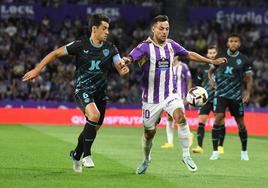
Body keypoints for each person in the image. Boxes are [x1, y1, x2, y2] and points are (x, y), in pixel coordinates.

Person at [22, 14, 129, 173]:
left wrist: (125, 68)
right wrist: (37, 69)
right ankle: (87, 155)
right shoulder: (80, 45)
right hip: (82, 90)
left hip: (100, 94)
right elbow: (56, 53)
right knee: (93, 116)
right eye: (104, 28)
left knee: (92, 128)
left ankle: (76, 154)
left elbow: (121, 69)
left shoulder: (111, 48)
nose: (107, 32)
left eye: (108, 29)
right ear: (94, 29)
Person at [123, 15, 227, 174]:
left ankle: (186, 155)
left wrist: (211, 61)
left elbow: (190, 54)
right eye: (161, 28)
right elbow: (131, 57)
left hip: (171, 94)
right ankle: (146, 159)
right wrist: (126, 61)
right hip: (151, 99)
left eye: (167, 29)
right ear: (153, 29)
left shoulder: (171, 45)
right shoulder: (144, 47)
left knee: (181, 117)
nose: (164, 32)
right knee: (149, 133)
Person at [209, 34, 253, 161]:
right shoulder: (220, 56)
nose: (233, 43)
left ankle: (244, 152)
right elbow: (211, 70)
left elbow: (249, 79)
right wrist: (211, 80)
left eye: (236, 41)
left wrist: (248, 92)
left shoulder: (244, 59)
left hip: (236, 95)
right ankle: (215, 151)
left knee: (241, 124)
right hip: (221, 93)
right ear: (227, 43)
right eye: (231, 41)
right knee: (218, 119)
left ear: (239, 44)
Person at [191, 46, 226, 154]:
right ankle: (199, 147)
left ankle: (220, 146)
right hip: (205, 98)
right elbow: (198, 84)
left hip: (218, 97)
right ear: (207, 55)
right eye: (210, 53)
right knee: (201, 120)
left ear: (217, 53)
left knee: (220, 121)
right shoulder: (202, 68)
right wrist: (194, 98)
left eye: (214, 53)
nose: (212, 55)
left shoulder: (223, 67)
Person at [161, 57, 192, 149]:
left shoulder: (183, 66)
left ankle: (188, 136)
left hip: (180, 96)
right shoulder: (167, 67)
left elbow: (189, 80)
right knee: (169, 117)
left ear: (177, 56)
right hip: (169, 96)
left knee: (180, 118)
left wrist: (188, 95)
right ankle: (170, 142)